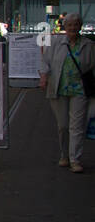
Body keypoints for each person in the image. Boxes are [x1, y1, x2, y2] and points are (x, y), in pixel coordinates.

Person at [39, 13, 94, 173]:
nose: (73, 28)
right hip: (59, 89)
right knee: (63, 125)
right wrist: (43, 77)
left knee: (76, 126)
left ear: (80, 27)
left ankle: (75, 159)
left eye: (76, 25)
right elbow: (44, 61)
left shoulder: (88, 45)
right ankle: (64, 155)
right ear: (65, 27)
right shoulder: (56, 42)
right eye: (70, 25)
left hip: (80, 89)